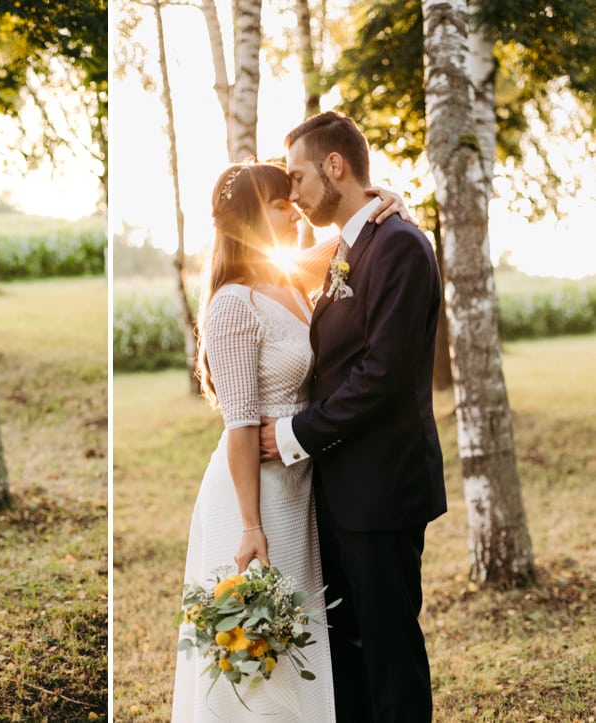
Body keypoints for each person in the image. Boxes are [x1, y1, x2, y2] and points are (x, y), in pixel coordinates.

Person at [171, 160, 412, 722]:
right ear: (258, 215)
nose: (295, 210)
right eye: (283, 204)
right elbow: (238, 428)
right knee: (256, 649)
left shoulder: (289, 278)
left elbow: (350, 239)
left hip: (302, 486)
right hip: (252, 497)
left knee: (299, 637)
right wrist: (252, 526)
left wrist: (386, 198)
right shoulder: (232, 302)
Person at [261, 111, 447, 722]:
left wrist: (293, 434)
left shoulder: (399, 245)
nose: (292, 193)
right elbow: (298, 267)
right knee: (351, 651)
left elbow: (383, 377)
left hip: (384, 487)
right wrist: (382, 199)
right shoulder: (354, 242)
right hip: (345, 489)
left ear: (335, 165)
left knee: (389, 654)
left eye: (297, 176)